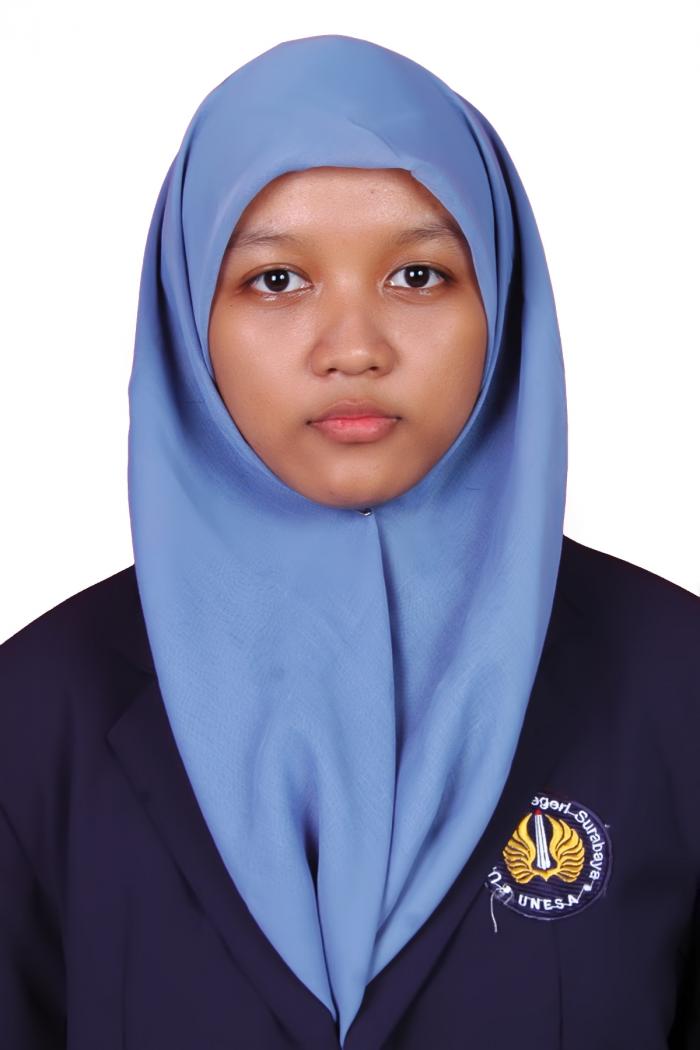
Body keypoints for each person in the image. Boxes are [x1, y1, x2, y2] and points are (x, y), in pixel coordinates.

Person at [1, 33, 698, 1050]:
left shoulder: (676, 680)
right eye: (277, 280)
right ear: (187, 317)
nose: (355, 348)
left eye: (418, 274)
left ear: (501, 300)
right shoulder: (37, 709)